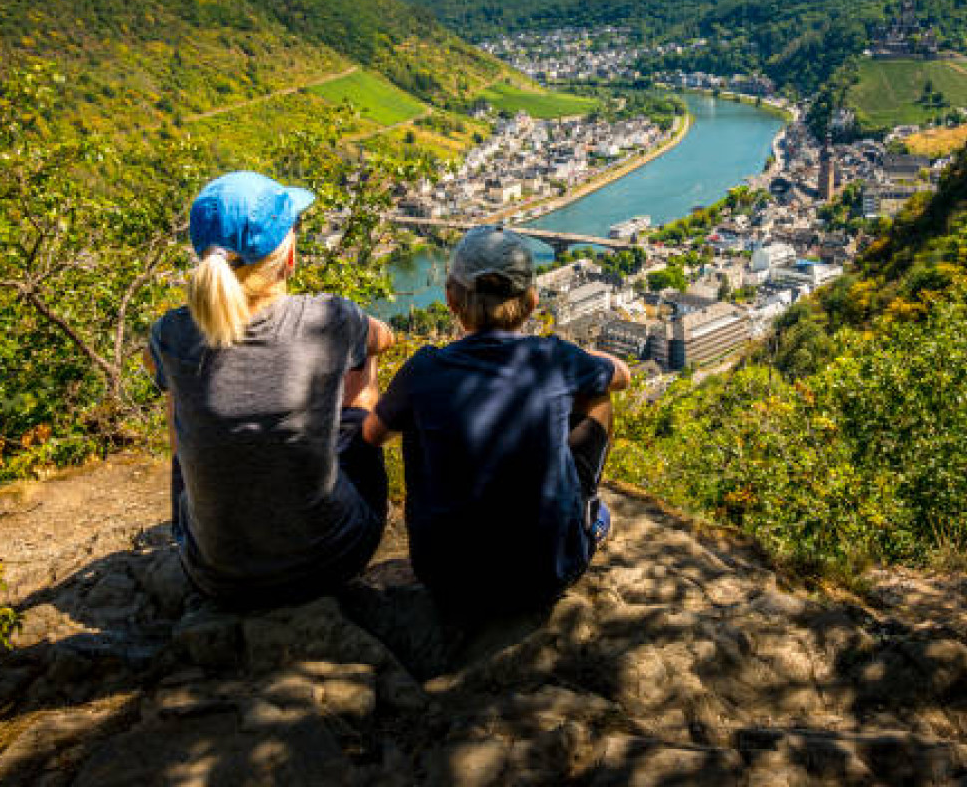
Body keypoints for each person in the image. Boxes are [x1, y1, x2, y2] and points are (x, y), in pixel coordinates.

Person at [146, 171, 394, 609]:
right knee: (361, 368)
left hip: (214, 575)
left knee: (178, 395)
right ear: (289, 255)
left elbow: (153, 364)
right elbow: (383, 337)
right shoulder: (327, 319)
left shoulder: (171, 334)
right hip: (331, 561)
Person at [363, 225, 631, 618]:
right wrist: (587, 360)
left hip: (445, 577)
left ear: (451, 300)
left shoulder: (425, 369)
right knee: (599, 396)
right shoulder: (553, 358)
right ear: (532, 300)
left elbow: (372, 434)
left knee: (417, 416)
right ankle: (586, 507)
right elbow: (620, 376)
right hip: (547, 573)